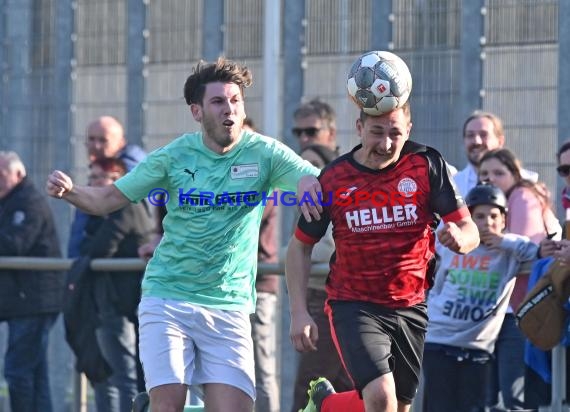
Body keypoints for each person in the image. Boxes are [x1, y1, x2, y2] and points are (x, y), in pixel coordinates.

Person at [47, 57, 321, 412]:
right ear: (197, 111)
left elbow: (315, 177)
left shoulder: (264, 153)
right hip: (168, 298)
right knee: (169, 403)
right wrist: (71, 192)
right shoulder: (174, 157)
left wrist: (307, 180)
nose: (230, 110)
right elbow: (110, 198)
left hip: (229, 304)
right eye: (218, 102)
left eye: (236, 100)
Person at [286, 101, 480, 412]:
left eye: (395, 133)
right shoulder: (335, 178)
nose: (386, 144)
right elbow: (300, 246)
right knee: (381, 397)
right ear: (360, 128)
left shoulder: (426, 165)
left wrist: (461, 239)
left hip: (410, 304)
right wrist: (298, 311)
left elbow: (469, 228)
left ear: (409, 131)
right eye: (377, 132)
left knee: (398, 406)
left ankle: (327, 404)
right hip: (353, 303)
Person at [423, 183, 545, 412]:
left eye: (493, 216)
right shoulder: (452, 245)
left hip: (478, 348)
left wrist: (503, 241)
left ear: (504, 221)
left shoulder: (511, 252)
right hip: (438, 342)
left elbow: (536, 252)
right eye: (479, 216)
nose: (487, 222)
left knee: (474, 407)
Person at [478, 147, 562, 410]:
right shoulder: (498, 203)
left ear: (515, 174)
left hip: (519, 312)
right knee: (490, 394)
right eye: (484, 173)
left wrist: (499, 242)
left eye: (498, 173)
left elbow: (527, 253)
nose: (489, 179)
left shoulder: (522, 197)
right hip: (502, 311)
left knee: (515, 395)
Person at [78, 158, 154, 412]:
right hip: (119, 302)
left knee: (125, 375)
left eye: (99, 178)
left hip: (122, 303)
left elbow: (100, 248)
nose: (93, 184)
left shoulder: (127, 207)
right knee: (115, 374)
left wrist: (88, 248)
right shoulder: (103, 215)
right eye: (91, 178)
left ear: (118, 179)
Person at [290, 143, 353, 412]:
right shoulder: (305, 208)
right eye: (301, 170)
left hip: (336, 300)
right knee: (330, 384)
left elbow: (333, 250)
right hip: (315, 299)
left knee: (316, 385)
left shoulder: (338, 197)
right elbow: (298, 250)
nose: (308, 179)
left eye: (313, 167)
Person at [0, 151, 63, 412]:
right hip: (23, 302)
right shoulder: (10, 201)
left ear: (18, 174)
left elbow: (13, 244)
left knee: (19, 372)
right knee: (34, 375)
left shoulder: (28, 201)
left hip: (33, 301)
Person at [243, 117, 281, 412]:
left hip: (258, 286)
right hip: (222, 289)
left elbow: (242, 217)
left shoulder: (262, 177)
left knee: (260, 368)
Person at [68, 115, 146, 257]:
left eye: (103, 140)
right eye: (91, 139)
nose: (96, 146)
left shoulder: (133, 177)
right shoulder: (99, 174)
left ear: (121, 143)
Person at [453, 110, 537, 198]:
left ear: (500, 141)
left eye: (483, 135)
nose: (476, 141)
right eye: (470, 135)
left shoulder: (526, 184)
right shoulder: (453, 185)